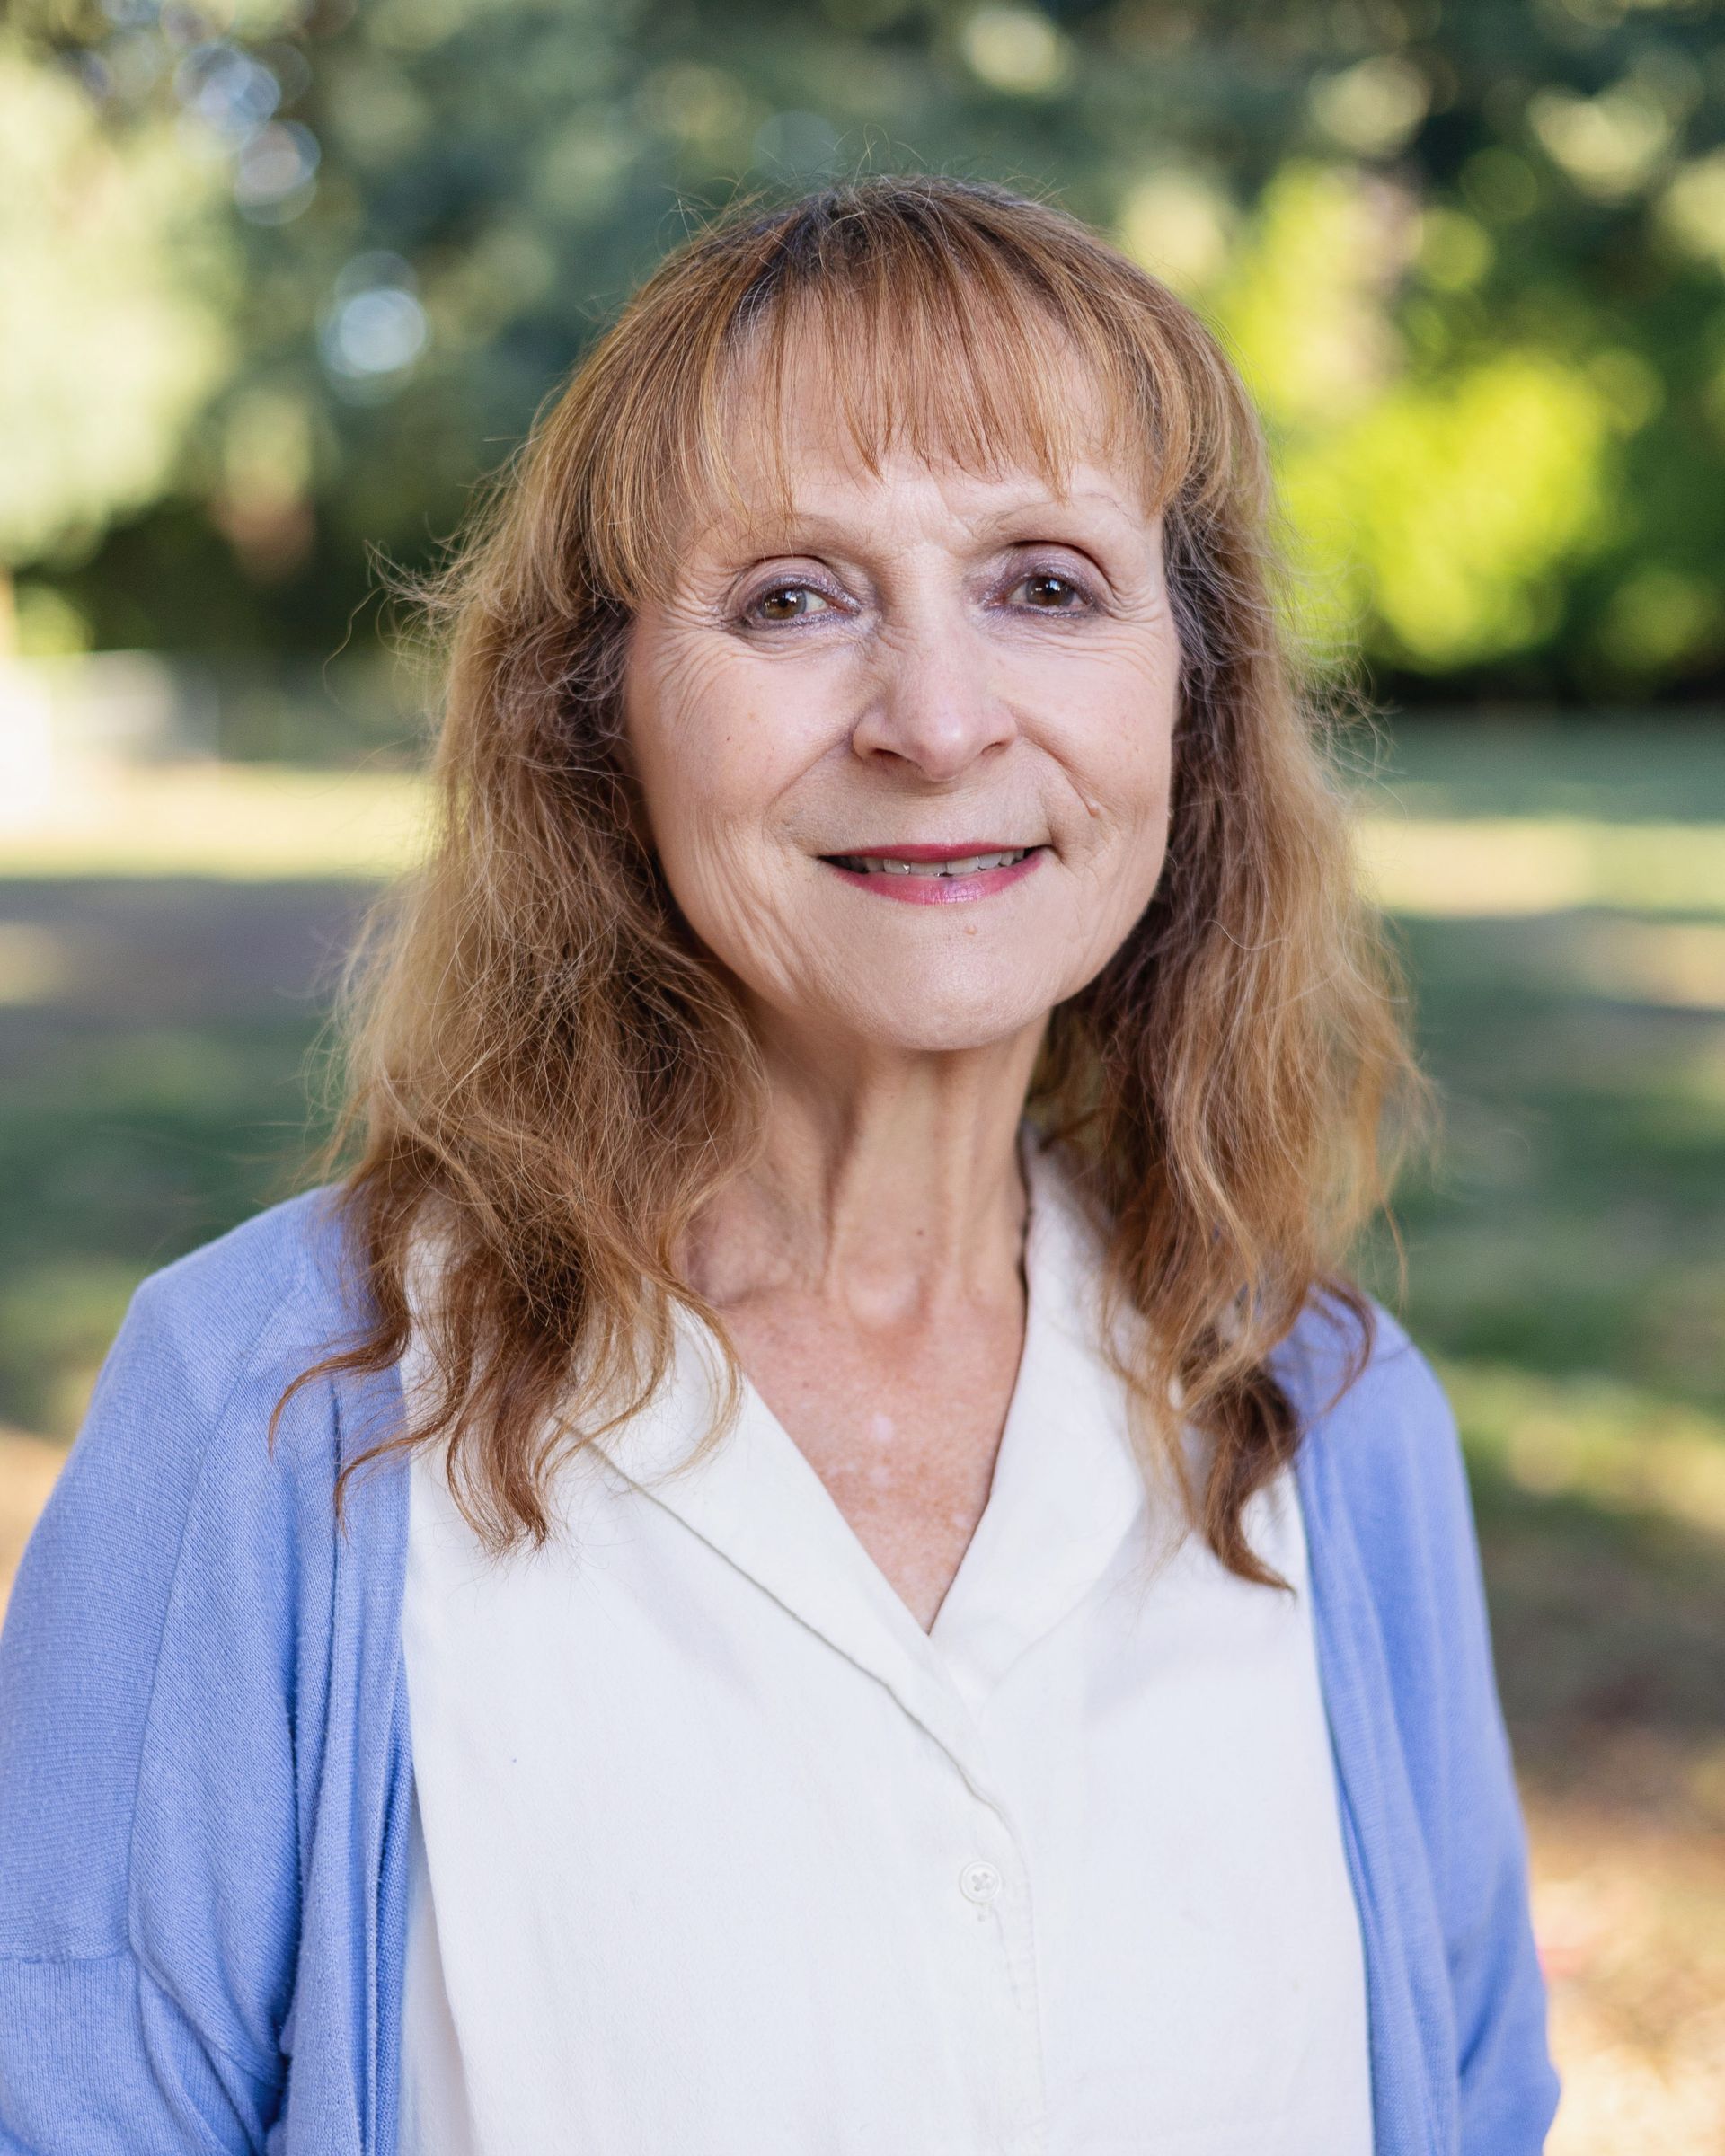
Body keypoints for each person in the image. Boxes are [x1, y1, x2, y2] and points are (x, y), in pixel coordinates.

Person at [0, 175, 1559, 2154]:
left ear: (1194, 693)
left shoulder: (1333, 1427)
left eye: (1047, 585)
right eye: (794, 598)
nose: (933, 719)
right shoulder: (271, 1414)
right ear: (601, 715)